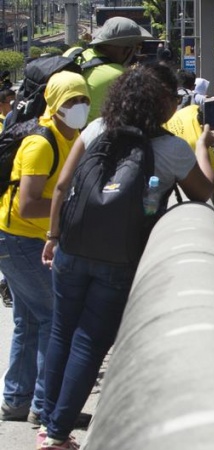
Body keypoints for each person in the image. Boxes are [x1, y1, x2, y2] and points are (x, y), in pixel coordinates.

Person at [39, 64, 214, 449]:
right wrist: (203, 146)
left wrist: (53, 236)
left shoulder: (96, 128)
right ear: (160, 104)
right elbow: (203, 191)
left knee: (61, 332)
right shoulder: (172, 148)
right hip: (120, 260)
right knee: (88, 344)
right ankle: (56, 436)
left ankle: (47, 420)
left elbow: (63, 186)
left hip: (72, 247)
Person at [0, 72, 90, 426]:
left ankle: (17, 401)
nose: (79, 107)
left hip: (28, 238)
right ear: (54, 104)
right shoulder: (41, 143)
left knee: (28, 321)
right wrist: (74, 209)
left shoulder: (74, 136)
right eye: (71, 101)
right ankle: (46, 406)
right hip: (17, 238)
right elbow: (28, 205)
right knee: (54, 317)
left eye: (83, 100)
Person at [70, 16, 153, 122]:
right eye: (136, 48)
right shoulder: (120, 76)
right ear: (126, 49)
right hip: (95, 131)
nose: (135, 54)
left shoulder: (74, 54)